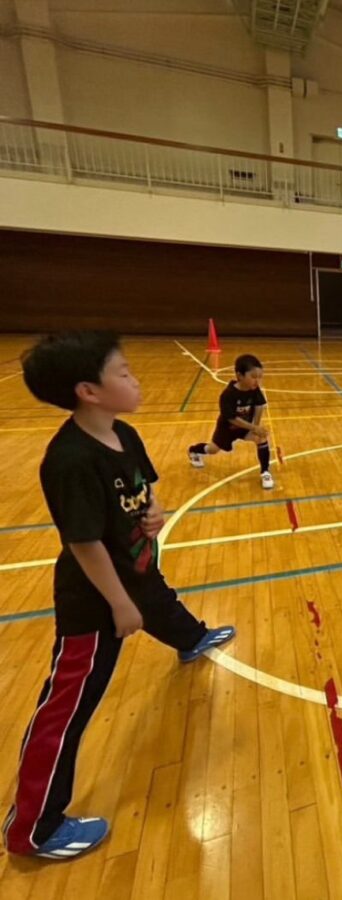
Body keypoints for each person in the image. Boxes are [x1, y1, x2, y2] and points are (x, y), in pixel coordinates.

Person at [3, 332, 235, 861]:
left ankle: (191, 639)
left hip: (136, 569)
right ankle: (33, 828)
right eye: (123, 373)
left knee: (161, 602)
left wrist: (155, 510)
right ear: (88, 391)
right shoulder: (69, 460)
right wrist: (119, 604)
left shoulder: (122, 432)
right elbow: (84, 544)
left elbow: (144, 487)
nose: (135, 380)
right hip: (96, 596)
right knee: (67, 704)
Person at [188, 353, 274, 489]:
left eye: (259, 377)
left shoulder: (255, 390)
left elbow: (259, 406)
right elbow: (232, 418)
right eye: (253, 377)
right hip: (227, 429)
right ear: (239, 375)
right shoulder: (228, 395)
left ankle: (265, 472)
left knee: (261, 438)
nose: (257, 381)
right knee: (212, 449)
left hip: (245, 427)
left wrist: (256, 427)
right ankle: (193, 451)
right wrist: (253, 427)